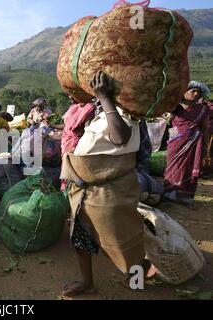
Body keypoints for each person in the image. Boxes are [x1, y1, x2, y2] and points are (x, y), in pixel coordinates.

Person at [61, 71, 149, 297]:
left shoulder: (126, 114)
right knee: (80, 237)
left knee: (123, 241)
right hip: (84, 191)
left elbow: (120, 138)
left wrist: (105, 98)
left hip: (109, 193)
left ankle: (137, 278)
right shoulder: (102, 114)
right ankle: (87, 281)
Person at [164, 81, 211, 206]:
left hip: (193, 142)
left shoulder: (203, 110)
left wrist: (206, 146)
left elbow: (205, 128)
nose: (196, 94)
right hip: (175, 139)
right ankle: (169, 192)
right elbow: (168, 120)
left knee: (188, 168)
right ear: (184, 92)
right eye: (193, 91)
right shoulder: (175, 106)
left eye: (198, 92)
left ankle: (185, 196)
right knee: (172, 165)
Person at [47, 96, 96, 191]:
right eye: (69, 94)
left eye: (73, 95)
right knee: (65, 164)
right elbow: (66, 126)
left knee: (72, 165)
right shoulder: (73, 107)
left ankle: (73, 187)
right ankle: (67, 186)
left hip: (75, 142)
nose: (70, 97)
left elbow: (87, 131)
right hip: (66, 140)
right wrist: (52, 126)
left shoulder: (88, 109)